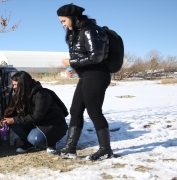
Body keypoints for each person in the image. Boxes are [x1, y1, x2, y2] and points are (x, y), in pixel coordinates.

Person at [55, 3, 114, 160]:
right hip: (87, 75)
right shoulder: (78, 33)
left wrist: (71, 62)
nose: (63, 25)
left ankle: (105, 150)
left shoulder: (91, 30)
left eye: (64, 21)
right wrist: (73, 69)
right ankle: (70, 148)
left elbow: (96, 57)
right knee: (75, 110)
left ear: (73, 18)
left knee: (94, 112)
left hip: (97, 75)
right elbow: (84, 56)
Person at [0, 71, 68, 154]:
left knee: (34, 139)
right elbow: (16, 110)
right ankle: (29, 144)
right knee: (14, 124)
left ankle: (51, 141)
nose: (13, 87)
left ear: (23, 84)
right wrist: (5, 117)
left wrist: (14, 119)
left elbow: (36, 116)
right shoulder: (23, 93)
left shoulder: (41, 95)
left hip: (51, 123)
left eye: (15, 85)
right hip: (37, 122)